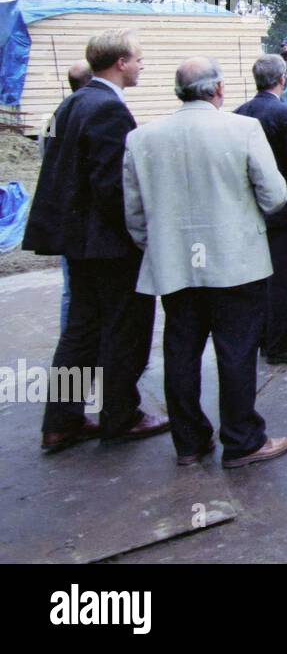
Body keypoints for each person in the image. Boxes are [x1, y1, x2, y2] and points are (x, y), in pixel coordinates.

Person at [124, 57, 287, 468]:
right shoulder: (242, 129)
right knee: (236, 351)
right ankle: (242, 439)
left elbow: (134, 213)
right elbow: (275, 195)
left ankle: (189, 441)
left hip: (175, 267)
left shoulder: (142, 138)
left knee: (181, 349)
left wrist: (163, 245)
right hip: (235, 263)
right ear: (218, 89)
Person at [23, 29, 167, 453]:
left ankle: (62, 421)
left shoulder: (74, 103)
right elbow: (113, 186)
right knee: (125, 329)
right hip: (108, 245)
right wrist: (140, 235)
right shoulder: (108, 109)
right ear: (121, 62)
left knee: (81, 333)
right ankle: (120, 415)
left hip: (78, 244)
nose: (142, 66)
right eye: (138, 59)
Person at [234, 54, 287, 364]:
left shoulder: (240, 113)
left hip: (253, 213)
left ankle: (262, 337)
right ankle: (282, 342)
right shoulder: (286, 114)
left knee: (259, 281)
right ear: (283, 79)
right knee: (286, 279)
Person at [37, 60, 92, 338]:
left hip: (63, 214)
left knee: (72, 287)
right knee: (78, 289)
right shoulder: (90, 113)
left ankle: (71, 339)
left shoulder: (57, 117)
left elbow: (48, 159)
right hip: (79, 217)